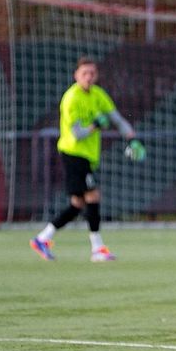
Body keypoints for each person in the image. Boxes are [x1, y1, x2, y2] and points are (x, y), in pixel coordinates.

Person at [29, 56, 146, 262]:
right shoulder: (71, 98)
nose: (89, 77)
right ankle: (97, 248)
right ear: (76, 75)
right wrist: (95, 124)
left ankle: (42, 238)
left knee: (77, 204)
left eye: (92, 73)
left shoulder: (98, 95)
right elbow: (78, 134)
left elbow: (117, 120)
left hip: (88, 156)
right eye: (84, 73)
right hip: (73, 154)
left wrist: (133, 140)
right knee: (92, 196)